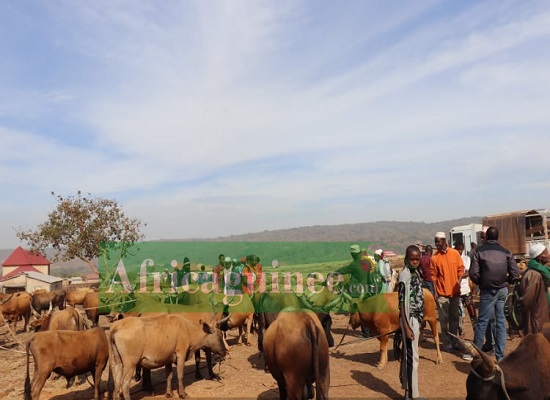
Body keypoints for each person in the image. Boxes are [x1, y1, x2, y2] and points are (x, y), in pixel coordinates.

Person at [469, 226, 520, 362]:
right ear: (497, 237)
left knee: (482, 322)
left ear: (487, 237)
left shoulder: (478, 251)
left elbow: (473, 273)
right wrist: (507, 280)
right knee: (501, 323)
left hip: (488, 291)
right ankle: (500, 357)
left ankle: (477, 356)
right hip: (502, 290)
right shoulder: (506, 252)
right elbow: (515, 273)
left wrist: (483, 282)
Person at [398, 245, 426, 400]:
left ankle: (412, 392)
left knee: (412, 356)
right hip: (409, 320)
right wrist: (407, 327)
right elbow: (401, 303)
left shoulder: (415, 274)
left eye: (417, 259)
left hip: (416, 320)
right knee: (412, 357)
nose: (415, 262)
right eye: (412, 259)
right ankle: (411, 394)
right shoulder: (404, 277)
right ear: (406, 259)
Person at [430, 231, 464, 354]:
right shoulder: (434, 258)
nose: (436, 244)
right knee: (444, 321)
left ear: (444, 241)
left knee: (454, 319)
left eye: (438, 241)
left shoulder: (455, 254)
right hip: (442, 294)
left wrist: (458, 283)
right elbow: (433, 276)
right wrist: (435, 292)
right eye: (435, 242)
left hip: (455, 293)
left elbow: (461, 269)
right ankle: (447, 343)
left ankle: (454, 341)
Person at [520, 243, 550, 335]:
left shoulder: (541, 272)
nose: (549, 255)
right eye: (546, 252)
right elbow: (527, 300)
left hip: (541, 316)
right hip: (536, 319)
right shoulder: (535, 275)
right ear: (540, 257)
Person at [455, 242, 476, 349]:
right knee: (459, 314)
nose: (460, 251)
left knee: (472, 311)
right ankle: (461, 333)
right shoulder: (452, 258)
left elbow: (468, 273)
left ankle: (476, 332)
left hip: (465, 289)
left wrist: (458, 276)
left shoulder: (466, 258)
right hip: (456, 291)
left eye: (461, 249)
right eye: (458, 249)